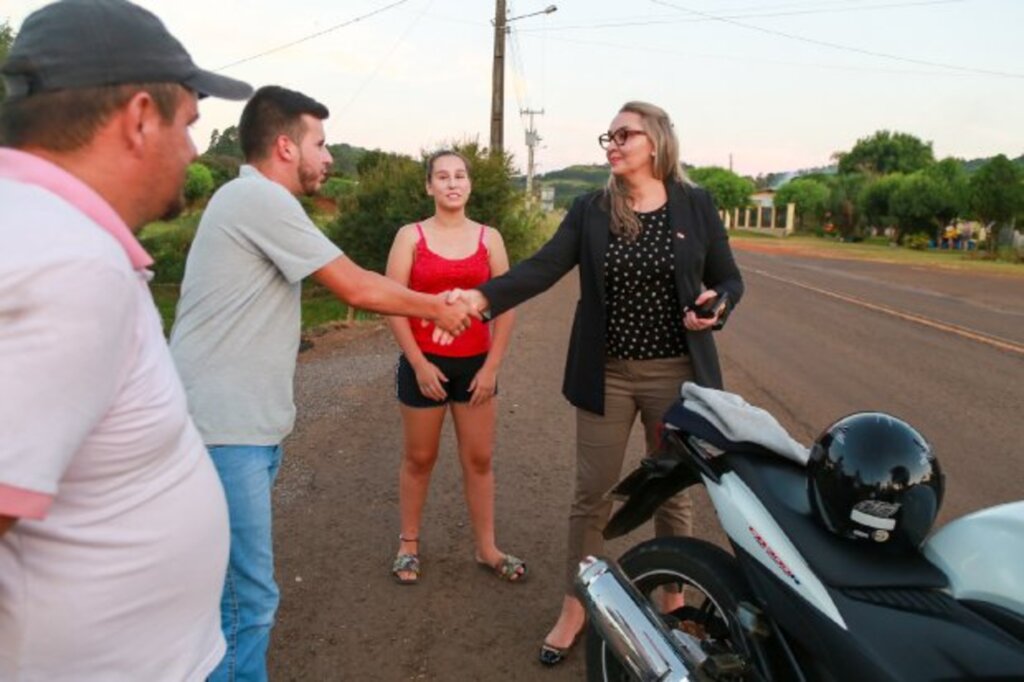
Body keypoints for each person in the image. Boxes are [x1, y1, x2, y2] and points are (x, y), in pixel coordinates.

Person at [168, 86, 475, 682]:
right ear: (286, 146)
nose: (329, 157)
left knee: (226, 600)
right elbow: (357, 286)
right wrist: (437, 309)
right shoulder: (255, 198)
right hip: (223, 434)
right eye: (321, 143)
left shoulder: (252, 202)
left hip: (236, 430)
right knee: (246, 603)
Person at [0, 1, 253, 680]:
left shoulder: (40, 233)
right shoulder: (64, 264)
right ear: (141, 118)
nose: (195, 152)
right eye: (190, 125)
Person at [457, 101, 744, 666]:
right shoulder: (592, 209)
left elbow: (728, 277)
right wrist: (482, 297)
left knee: (670, 491)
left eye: (623, 135)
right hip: (607, 371)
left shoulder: (697, 204)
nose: (611, 144)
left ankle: (672, 596)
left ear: (656, 142)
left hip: (675, 374)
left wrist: (719, 304)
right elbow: (542, 267)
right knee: (593, 493)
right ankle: (577, 603)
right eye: (607, 137)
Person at [386, 150, 524, 585]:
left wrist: (492, 367)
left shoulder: (490, 238)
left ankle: (486, 547)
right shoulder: (410, 237)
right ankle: (409, 543)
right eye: (442, 176)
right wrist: (418, 363)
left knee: (479, 458)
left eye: (459, 176)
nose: (452, 183)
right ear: (428, 186)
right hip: (423, 365)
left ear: (469, 184)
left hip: (475, 367)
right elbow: (392, 303)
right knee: (419, 457)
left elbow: (506, 304)